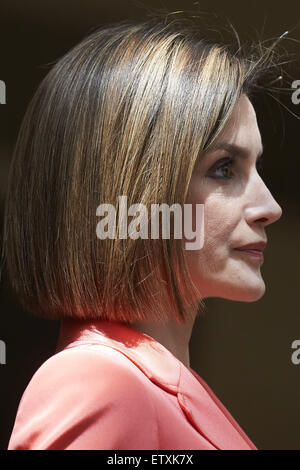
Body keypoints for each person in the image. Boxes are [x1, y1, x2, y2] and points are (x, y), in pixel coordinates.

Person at [3, 12, 285, 450]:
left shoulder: (148, 386)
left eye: (256, 167)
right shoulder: (101, 385)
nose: (270, 208)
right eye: (224, 168)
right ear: (133, 190)